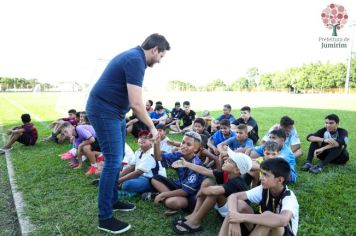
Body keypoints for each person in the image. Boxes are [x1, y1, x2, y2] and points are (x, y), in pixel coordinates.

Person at [85, 33, 170, 234]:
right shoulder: (135, 59)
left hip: (116, 112)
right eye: (161, 56)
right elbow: (137, 103)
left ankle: (113, 200)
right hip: (104, 111)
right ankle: (104, 218)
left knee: (119, 157)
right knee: (114, 161)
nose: (159, 61)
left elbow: (133, 100)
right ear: (155, 49)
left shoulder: (135, 58)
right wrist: (152, 127)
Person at [171, 149, 252, 234]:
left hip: (235, 214)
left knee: (214, 193)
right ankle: (194, 214)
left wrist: (202, 190)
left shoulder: (237, 182)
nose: (226, 160)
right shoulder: (226, 174)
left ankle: (195, 223)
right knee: (208, 181)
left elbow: (214, 191)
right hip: (226, 207)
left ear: (236, 170)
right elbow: (205, 171)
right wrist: (186, 164)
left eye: (230, 161)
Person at [219, 158, 299, 236]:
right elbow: (233, 196)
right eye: (261, 173)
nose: (260, 178)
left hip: (282, 232)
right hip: (263, 227)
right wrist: (234, 218)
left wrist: (241, 217)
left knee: (269, 218)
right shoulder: (263, 189)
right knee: (239, 204)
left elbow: (283, 220)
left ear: (280, 180)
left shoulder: (289, 197)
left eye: (265, 175)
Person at [151, 131, 205, 216]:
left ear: (195, 148)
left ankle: (167, 199)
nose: (183, 146)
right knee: (155, 179)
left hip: (191, 195)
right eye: (183, 142)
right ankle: (168, 198)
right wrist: (156, 143)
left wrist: (164, 194)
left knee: (171, 202)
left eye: (188, 144)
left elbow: (186, 191)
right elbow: (159, 158)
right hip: (181, 185)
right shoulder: (179, 154)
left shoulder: (196, 164)